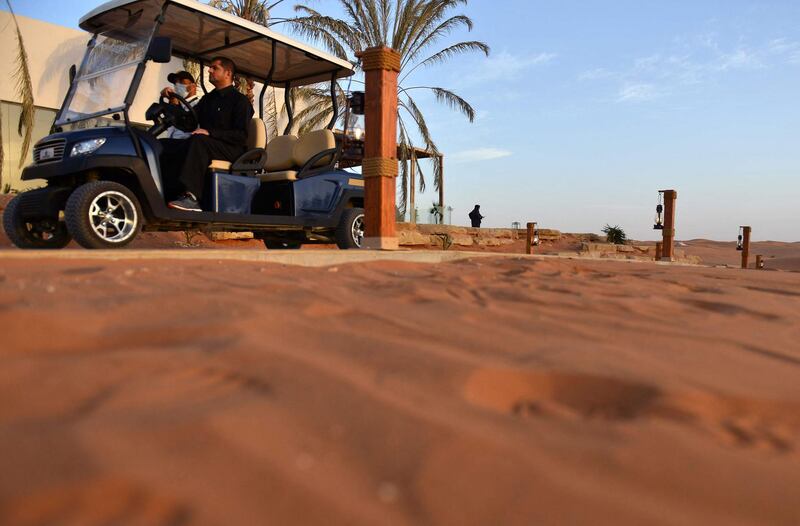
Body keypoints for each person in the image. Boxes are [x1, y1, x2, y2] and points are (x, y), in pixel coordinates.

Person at [160, 56, 253, 212]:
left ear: (228, 73)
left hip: (233, 150)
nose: (209, 70)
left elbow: (241, 135)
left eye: (214, 68)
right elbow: (188, 123)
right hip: (208, 144)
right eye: (210, 67)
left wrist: (210, 132)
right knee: (164, 145)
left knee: (198, 140)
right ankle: (166, 192)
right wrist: (168, 102)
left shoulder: (240, 101)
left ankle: (192, 197)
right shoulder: (208, 99)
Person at [161, 70, 199, 140]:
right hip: (172, 142)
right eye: (175, 83)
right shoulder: (177, 105)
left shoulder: (199, 105)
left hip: (186, 145)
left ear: (193, 85)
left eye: (181, 81)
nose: (177, 85)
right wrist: (171, 99)